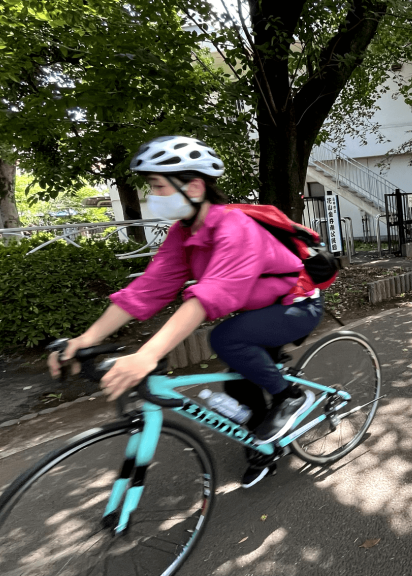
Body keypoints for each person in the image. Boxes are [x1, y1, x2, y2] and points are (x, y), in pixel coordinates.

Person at [47, 135, 324, 489]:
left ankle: (291, 396)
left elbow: (210, 296)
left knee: (225, 338)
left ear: (193, 186)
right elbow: (146, 290)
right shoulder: (184, 233)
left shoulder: (235, 228)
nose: (152, 196)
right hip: (259, 313)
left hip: (295, 305)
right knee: (239, 386)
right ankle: (265, 447)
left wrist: (147, 355)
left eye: (158, 186)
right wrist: (84, 340)